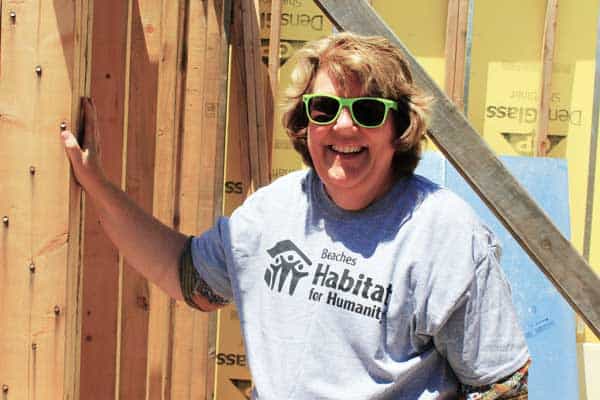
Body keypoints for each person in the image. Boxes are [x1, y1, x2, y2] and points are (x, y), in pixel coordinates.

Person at [61, 32, 530, 400]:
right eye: (325, 108)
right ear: (304, 125)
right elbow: (185, 274)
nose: (343, 126)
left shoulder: (442, 232)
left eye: (367, 110)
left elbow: (501, 388)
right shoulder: (273, 213)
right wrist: (98, 185)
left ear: (399, 128)